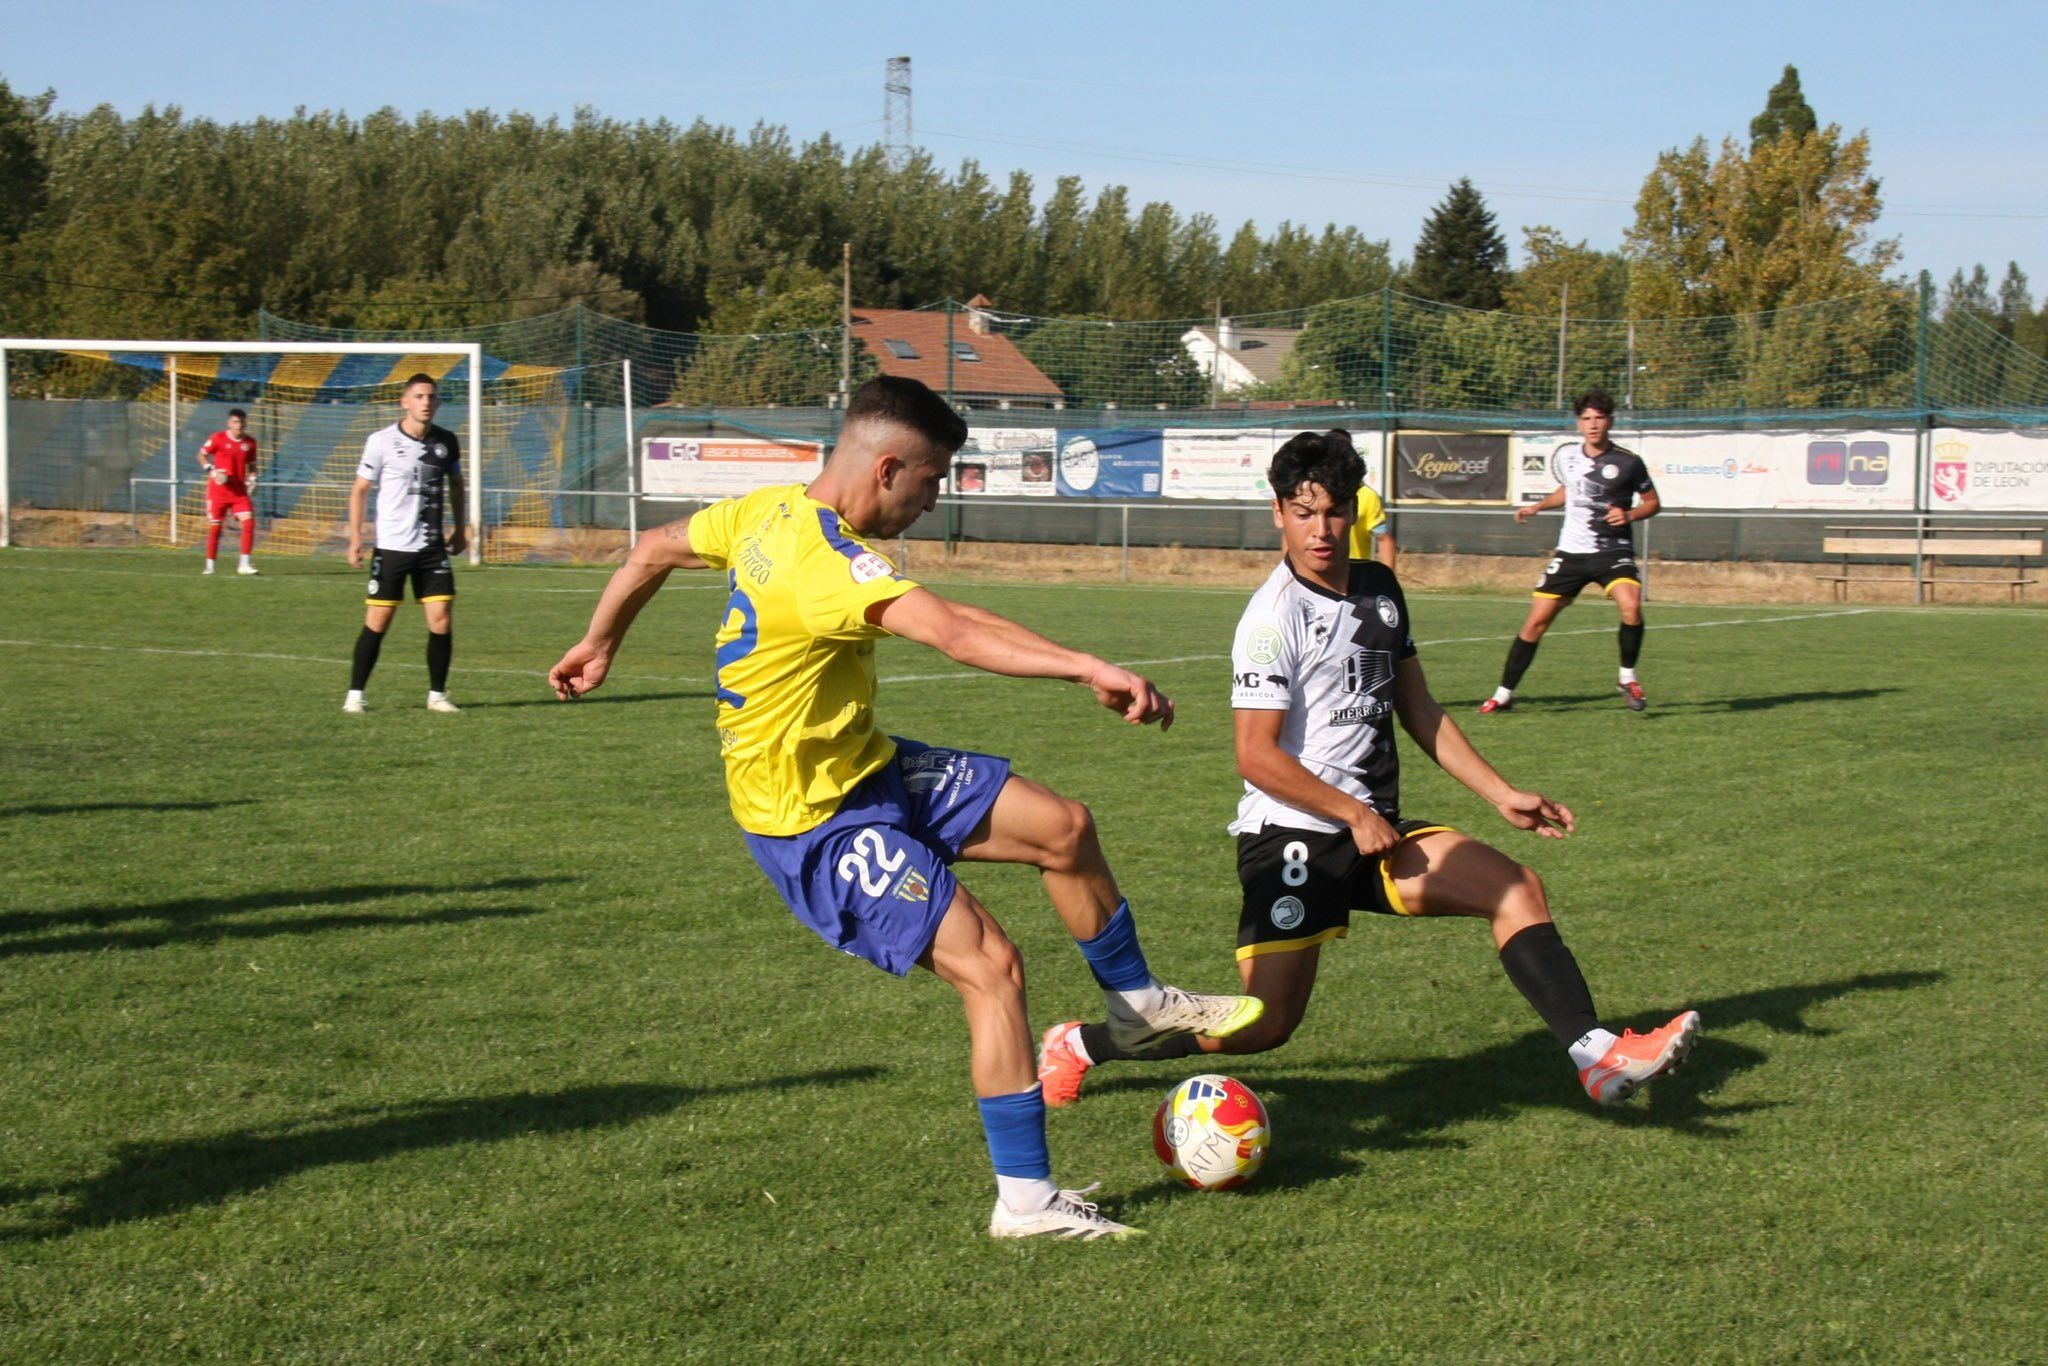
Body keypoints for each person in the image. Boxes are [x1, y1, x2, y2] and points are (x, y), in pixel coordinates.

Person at [547, 376, 1261, 1240]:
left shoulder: (765, 513)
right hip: (815, 826)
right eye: (931, 481)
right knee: (991, 969)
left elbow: (651, 549)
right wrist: (1085, 666)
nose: (934, 499)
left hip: (867, 769)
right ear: (888, 468)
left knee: (1063, 827)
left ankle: (1138, 1007)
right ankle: (1026, 1204)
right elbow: (955, 631)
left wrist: (599, 641)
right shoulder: (830, 565)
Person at [1036, 430, 1697, 1111]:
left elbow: (1416, 705)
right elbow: (1254, 754)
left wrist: (1502, 793)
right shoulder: (1271, 618)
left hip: (1374, 832)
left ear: (1355, 510)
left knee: (1514, 888)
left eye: (1334, 511)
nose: (1320, 530)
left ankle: (1595, 1056)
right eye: (1303, 512)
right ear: (1278, 513)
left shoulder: (1380, 587)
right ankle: (1082, 1044)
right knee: (1266, 1024)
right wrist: (1350, 813)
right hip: (1293, 836)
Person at [1481, 391, 1660, 713]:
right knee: (1535, 622)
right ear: (1578, 423)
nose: (1593, 425)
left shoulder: (1629, 462)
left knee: (1631, 604)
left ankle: (1627, 677)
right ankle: (1502, 694)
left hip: (1612, 550)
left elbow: (1652, 503)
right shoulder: (1568, 458)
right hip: (1571, 555)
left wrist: (1630, 515)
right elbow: (1569, 490)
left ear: (1610, 421)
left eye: (1599, 418)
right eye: (1587, 419)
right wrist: (1537, 506)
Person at [344, 373, 467, 714]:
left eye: (431, 397)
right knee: (378, 622)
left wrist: (460, 528)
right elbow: (360, 490)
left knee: (441, 619)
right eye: (418, 396)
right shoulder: (381, 441)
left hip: (431, 548)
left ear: (437, 402)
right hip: (393, 547)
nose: (425, 402)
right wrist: (356, 537)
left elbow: (457, 485)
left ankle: (437, 696)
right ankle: (355, 695)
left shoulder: (447, 442)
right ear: (405, 401)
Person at [198, 408, 260, 576]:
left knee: (248, 522)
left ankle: (244, 564)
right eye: (235, 422)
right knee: (215, 528)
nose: (239, 425)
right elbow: (202, 455)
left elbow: (252, 465)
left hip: (239, 492)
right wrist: (211, 470)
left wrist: (253, 479)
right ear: (229, 423)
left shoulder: (250, 443)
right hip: (218, 492)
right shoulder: (217, 438)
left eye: (241, 422)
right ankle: (210, 566)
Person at [1333, 429, 1397, 571]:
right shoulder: (1313, 492)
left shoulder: (1367, 495)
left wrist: (1387, 581)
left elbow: (1384, 539)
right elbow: (1290, 537)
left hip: (1355, 578)